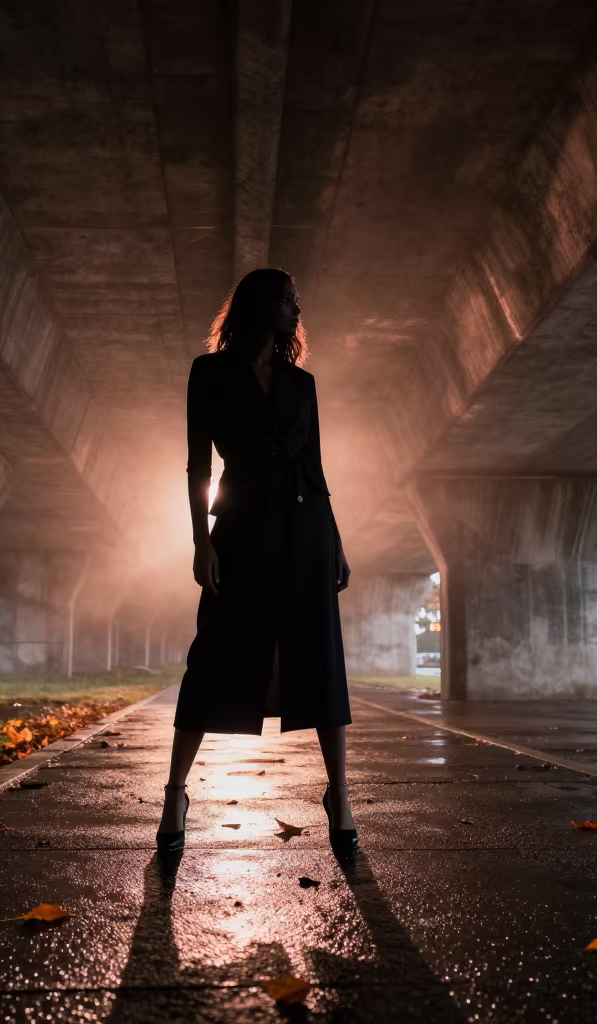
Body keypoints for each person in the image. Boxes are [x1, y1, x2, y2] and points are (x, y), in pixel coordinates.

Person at [157, 268, 357, 857]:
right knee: (213, 655)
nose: (299, 311)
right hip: (241, 529)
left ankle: (339, 793)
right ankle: (175, 792)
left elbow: (316, 470)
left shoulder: (304, 384)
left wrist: (337, 539)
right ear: (264, 305)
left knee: (320, 658)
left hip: (307, 530)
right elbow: (197, 464)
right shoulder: (209, 372)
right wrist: (200, 540)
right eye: (292, 301)